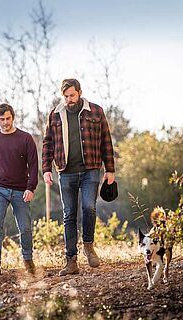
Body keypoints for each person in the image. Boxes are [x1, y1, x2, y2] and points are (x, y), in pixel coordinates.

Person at [42, 78, 115, 276]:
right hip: (65, 172)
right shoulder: (55, 115)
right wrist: (46, 169)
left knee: (89, 207)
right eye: (65, 96)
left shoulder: (96, 111)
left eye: (72, 95)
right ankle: (71, 261)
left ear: (80, 92)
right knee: (69, 215)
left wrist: (110, 169)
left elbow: (106, 140)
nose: (69, 100)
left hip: (91, 169)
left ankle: (89, 247)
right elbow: (47, 142)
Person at [0, 103, 38, 276]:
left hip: (21, 190)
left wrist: (31, 187)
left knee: (25, 227)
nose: (5, 122)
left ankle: (28, 261)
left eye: (8, 118)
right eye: (2, 119)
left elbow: (34, 165)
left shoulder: (25, 138)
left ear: (13, 117)